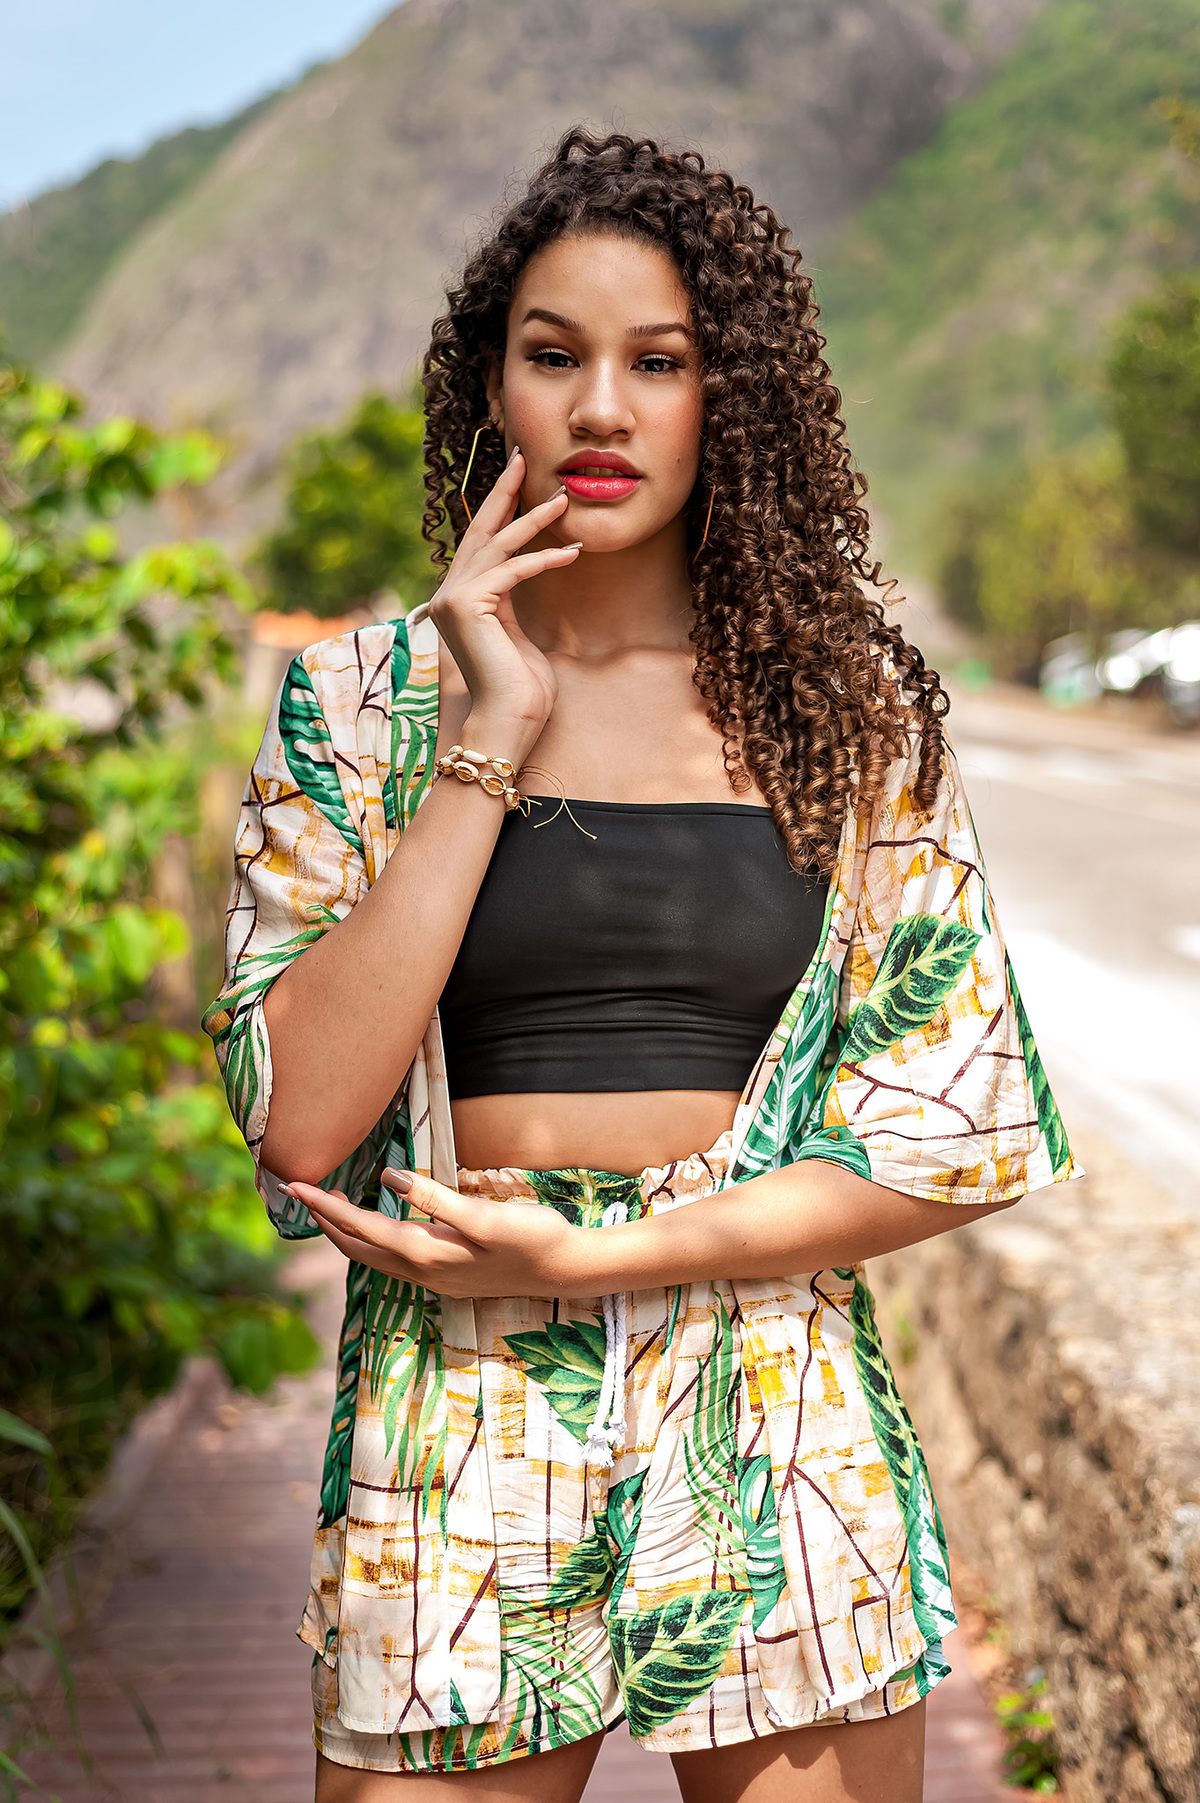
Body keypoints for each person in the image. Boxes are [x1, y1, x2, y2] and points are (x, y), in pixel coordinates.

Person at [205, 129, 1076, 1803]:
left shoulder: (846, 719)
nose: (602, 407)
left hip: (773, 1397)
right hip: (461, 1392)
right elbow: (302, 1118)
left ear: (727, 396)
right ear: (496, 387)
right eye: (556, 356)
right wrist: (490, 736)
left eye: (659, 362)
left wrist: (611, 1257)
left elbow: (943, 1133)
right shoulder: (357, 706)